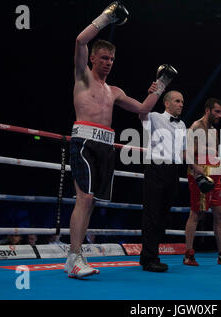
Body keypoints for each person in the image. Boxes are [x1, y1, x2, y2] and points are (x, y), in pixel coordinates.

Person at [64, 2, 177, 279]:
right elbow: (80, 39)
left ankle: (76, 255)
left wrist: (161, 85)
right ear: (92, 58)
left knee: (91, 202)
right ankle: (74, 257)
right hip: (84, 141)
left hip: (105, 145)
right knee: (85, 197)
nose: (108, 63)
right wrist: (106, 18)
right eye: (103, 58)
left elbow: (142, 109)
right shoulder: (82, 78)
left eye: (111, 60)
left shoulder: (114, 91)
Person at [183, 98, 221, 266]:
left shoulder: (214, 131)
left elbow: (215, 154)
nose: (220, 115)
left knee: (220, 213)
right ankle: (189, 253)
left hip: (214, 173)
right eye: (217, 111)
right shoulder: (195, 127)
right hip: (200, 173)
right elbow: (186, 154)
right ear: (207, 110)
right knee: (196, 214)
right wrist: (195, 169)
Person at [138, 90, 187, 272]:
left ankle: (147, 256)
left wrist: (196, 171)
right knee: (152, 214)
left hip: (173, 171)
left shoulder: (182, 124)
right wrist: (155, 92)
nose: (181, 104)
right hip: (156, 168)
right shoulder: (155, 117)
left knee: (163, 216)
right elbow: (141, 112)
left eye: (182, 101)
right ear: (167, 103)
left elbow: (183, 152)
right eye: (177, 101)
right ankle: (151, 258)